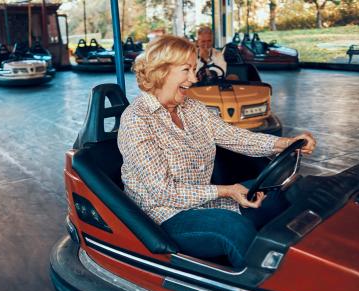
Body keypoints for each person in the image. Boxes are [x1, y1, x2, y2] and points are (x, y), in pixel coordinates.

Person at [119, 35, 316, 269]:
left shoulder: (191, 108)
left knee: (274, 196)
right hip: (162, 216)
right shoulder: (137, 120)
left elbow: (233, 136)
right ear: (161, 72)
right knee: (234, 228)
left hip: (201, 204)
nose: (193, 78)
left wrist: (285, 143)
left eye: (194, 69)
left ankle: (293, 265)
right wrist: (226, 191)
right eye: (186, 70)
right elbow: (163, 192)